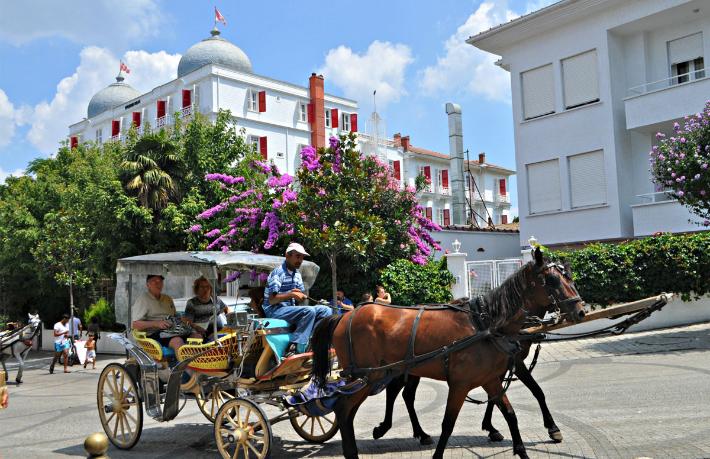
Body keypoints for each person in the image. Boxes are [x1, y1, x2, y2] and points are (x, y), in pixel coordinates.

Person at [263, 242, 332, 355]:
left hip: (289, 310)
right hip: (275, 311)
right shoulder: (279, 273)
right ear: (287, 256)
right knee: (308, 311)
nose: (300, 260)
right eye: (297, 256)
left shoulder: (297, 274)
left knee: (326, 310)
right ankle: (296, 346)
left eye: (302, 257)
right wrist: (292, 294)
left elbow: (300, 299)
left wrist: (303, 297)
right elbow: (272, 300)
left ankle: (312, 340)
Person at [131, 274, 199, 354]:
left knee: (197, 336)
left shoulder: (167, 298)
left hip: (174, 330)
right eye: (154, 281)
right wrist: (156, 323)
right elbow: (135, 324)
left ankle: (196, 363)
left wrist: (182, 318)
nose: (158, 284)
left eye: (160, 281)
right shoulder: (143, 299)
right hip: (155, 334)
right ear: (148, 284)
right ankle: (185, 366)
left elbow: (174, 315)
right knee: (177, 341)